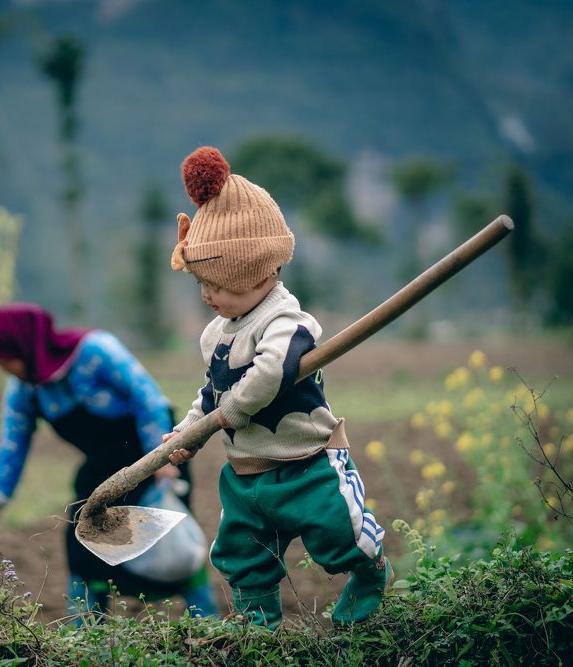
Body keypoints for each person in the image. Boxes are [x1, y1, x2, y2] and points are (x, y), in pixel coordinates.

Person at [164, 146, 390, 630]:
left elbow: (267, 374)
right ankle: (259, 627)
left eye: (218, 284)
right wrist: (188, 432)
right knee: (242, 553)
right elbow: (211, 393)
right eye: (201, 284)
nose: (207, 295)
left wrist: (229, 414)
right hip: (246, 473)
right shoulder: (216, 333)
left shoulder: (287, 322)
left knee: (339, 536)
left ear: (260, 271)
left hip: (305, 463)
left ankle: (370, 575)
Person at [0, 303, 218, 620]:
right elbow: (11, 452)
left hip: (159, 453)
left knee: (171, 542)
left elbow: (147, 398)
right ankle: (83, 628)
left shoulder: (95, 352)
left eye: (5, 359)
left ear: (25, 346)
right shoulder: (26, 391)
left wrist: (161, 462)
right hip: (103, 469)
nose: (4, 368)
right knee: (82, 545)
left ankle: (207, 622)